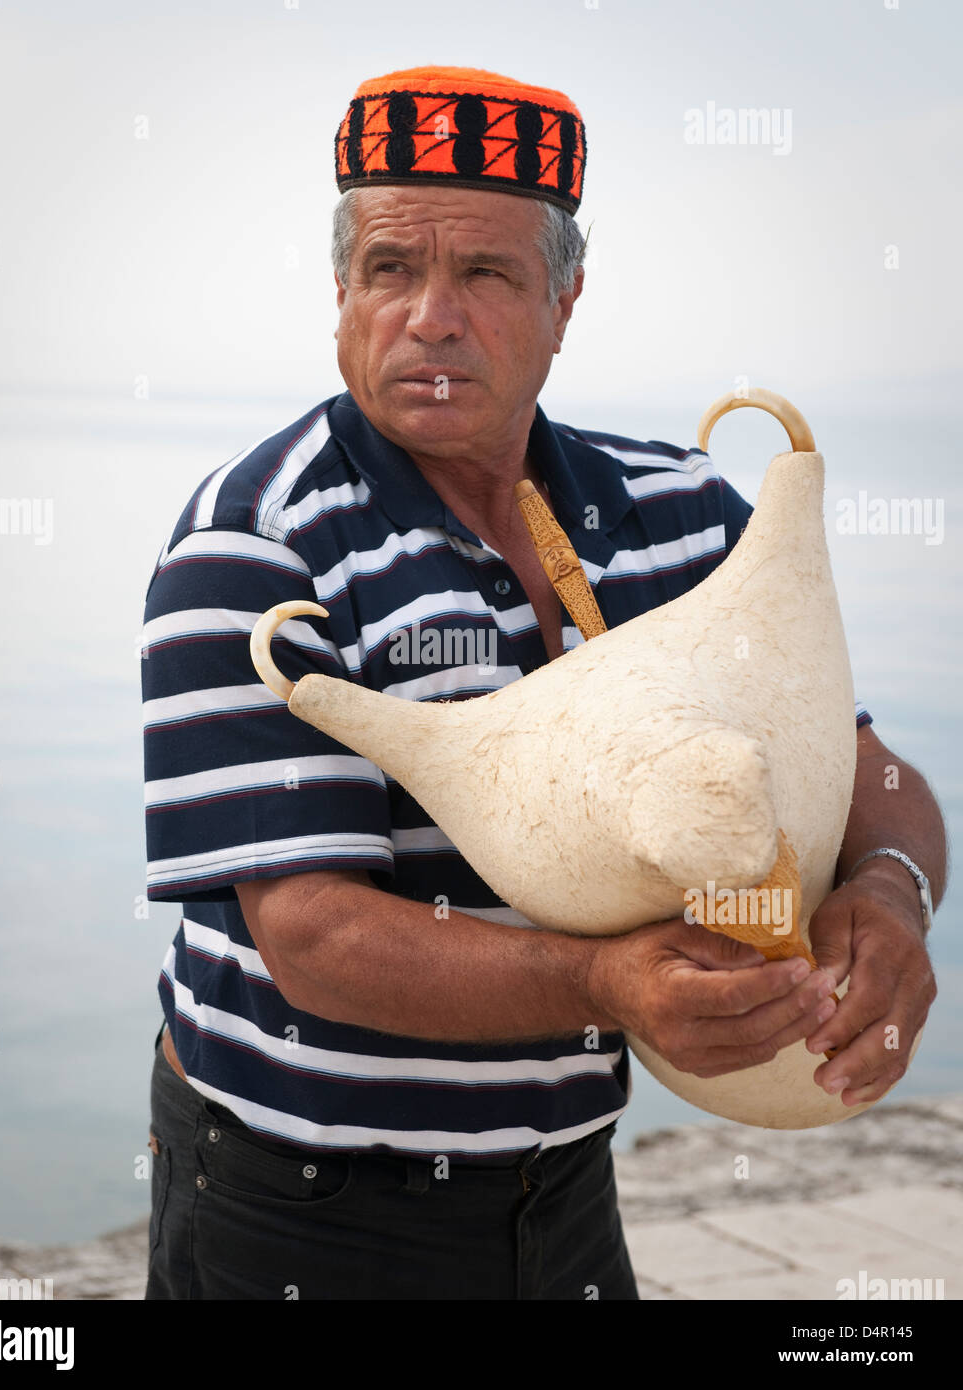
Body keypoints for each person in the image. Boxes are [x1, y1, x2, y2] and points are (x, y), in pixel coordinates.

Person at [140, 65, 944, 1301]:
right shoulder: (258, 546)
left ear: (566, 299)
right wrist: (601, 984)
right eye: (392, 268)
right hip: (302, 1205)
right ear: (341, 292)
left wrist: (888, 900)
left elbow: (855, 764)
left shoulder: (687, 513)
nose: (431, 318)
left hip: (562, 1181)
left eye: (488, 274)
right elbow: (312, 934)